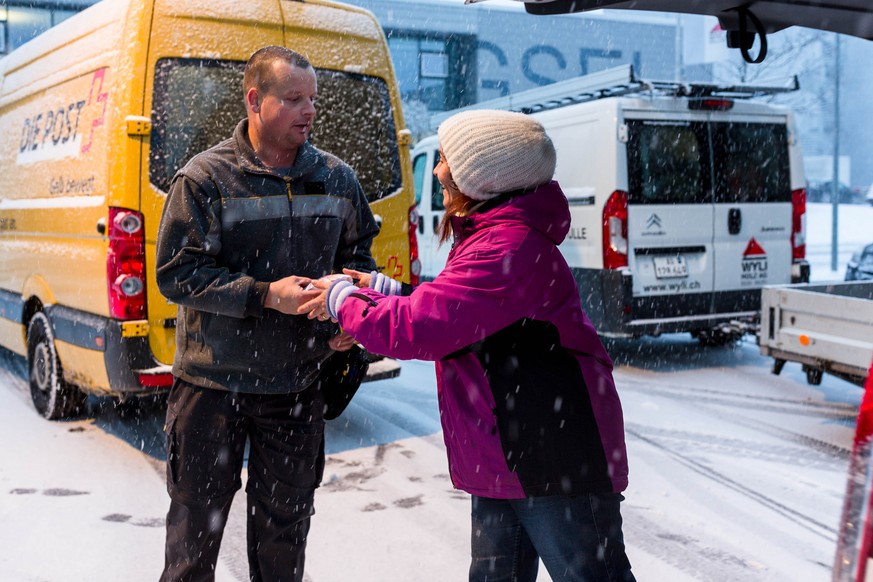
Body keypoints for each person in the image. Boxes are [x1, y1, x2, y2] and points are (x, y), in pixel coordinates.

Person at [313, 110, 636, 581]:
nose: (439, 171)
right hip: (507, 453)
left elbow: (422, 328)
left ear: (485, 178)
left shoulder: (508, 246)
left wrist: (339, 299)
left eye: (446, 159)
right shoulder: (493, 236)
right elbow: (461, 314)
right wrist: (387, 292)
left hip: (551, 456)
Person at [154, 45, 378, 582]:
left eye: (313, 100)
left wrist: (350, 314)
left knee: (283, 544)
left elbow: (359, 261)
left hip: (296, 388)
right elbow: (176, 275)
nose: (309, 111)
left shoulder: (336, 179)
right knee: (192, 549)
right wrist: (262, 295)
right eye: (294, 99)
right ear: (255, 100)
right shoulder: (205, 179)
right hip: (211, 390)